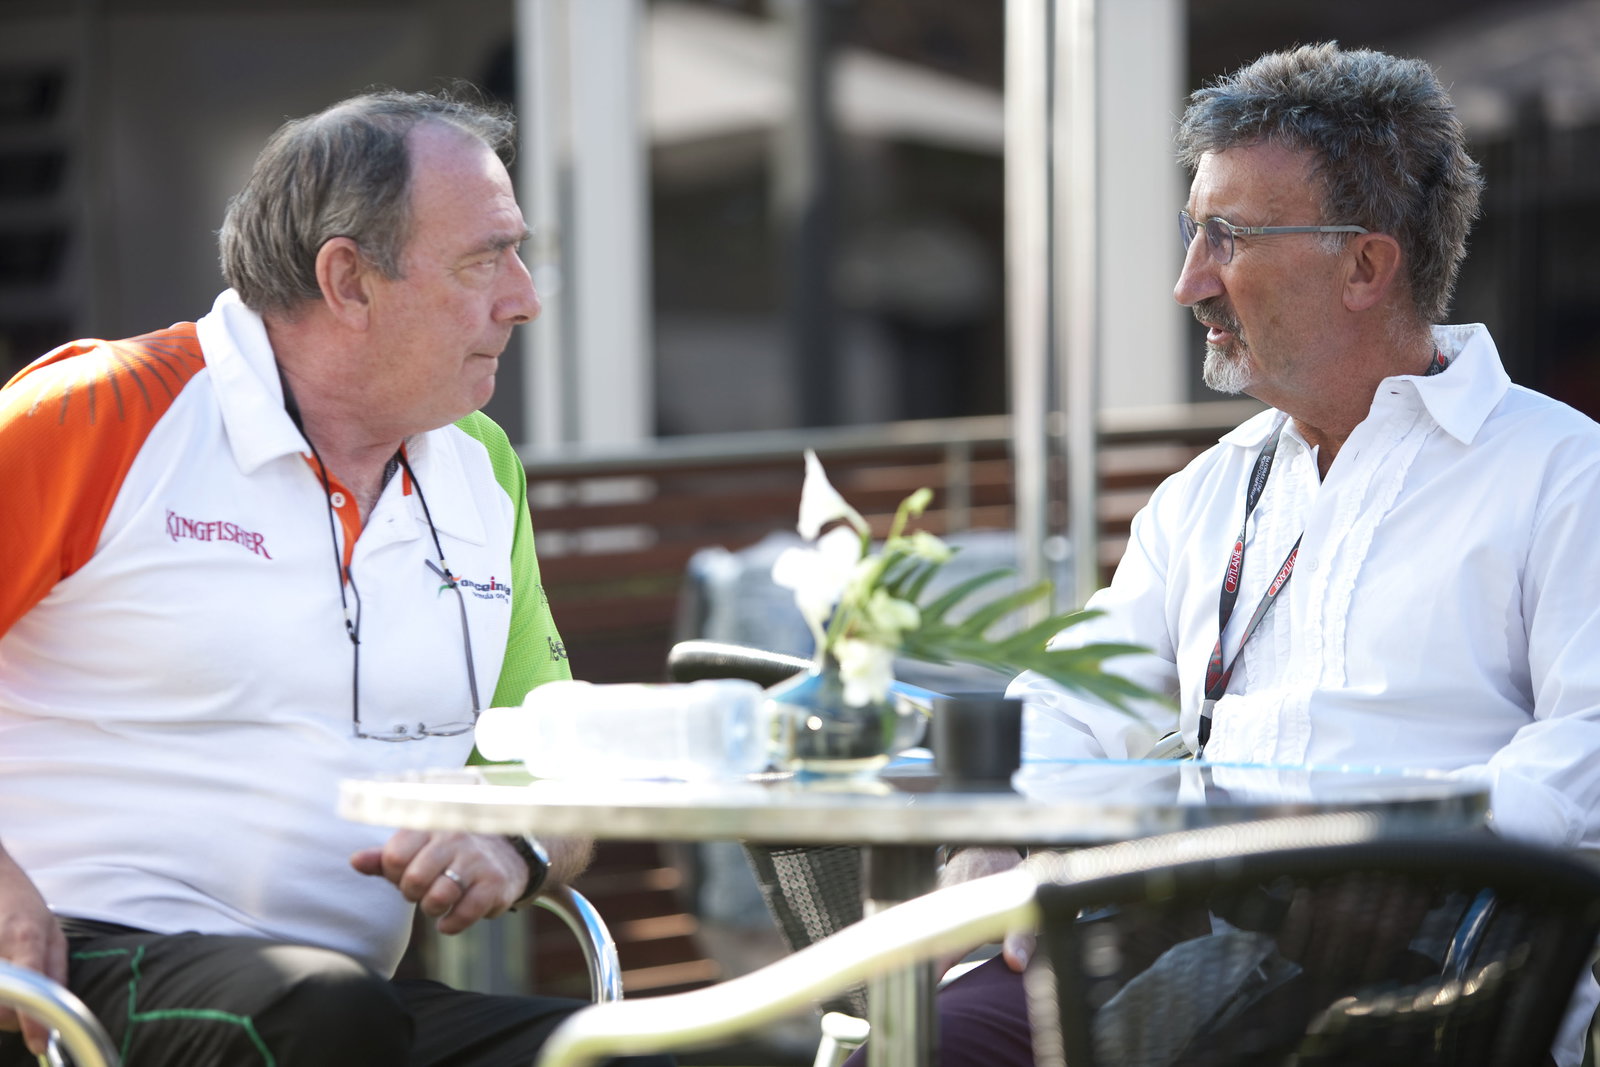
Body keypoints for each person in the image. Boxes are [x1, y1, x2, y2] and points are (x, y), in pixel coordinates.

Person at [848, 41, 1600, 1067]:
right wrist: (998, 817)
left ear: (1365, 266)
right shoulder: (1209, 491)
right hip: (1193, 945)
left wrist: (1400, 856)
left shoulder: (1562, 474)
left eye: (1226, 238)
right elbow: (1074, 693)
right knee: (922, 1036)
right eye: (1192, 234)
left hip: (1442, 986)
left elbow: (1587, 751)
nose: (1186, 281)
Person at [0, 89, 670, 1066]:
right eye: (485, 259)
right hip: (70, 981)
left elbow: (555, 760)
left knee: (633, 1051)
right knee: (318, 1011)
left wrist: (514, 843)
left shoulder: (482, 466)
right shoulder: (99, 412)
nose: (524, 296)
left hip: (341, 1005)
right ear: (349, 280)